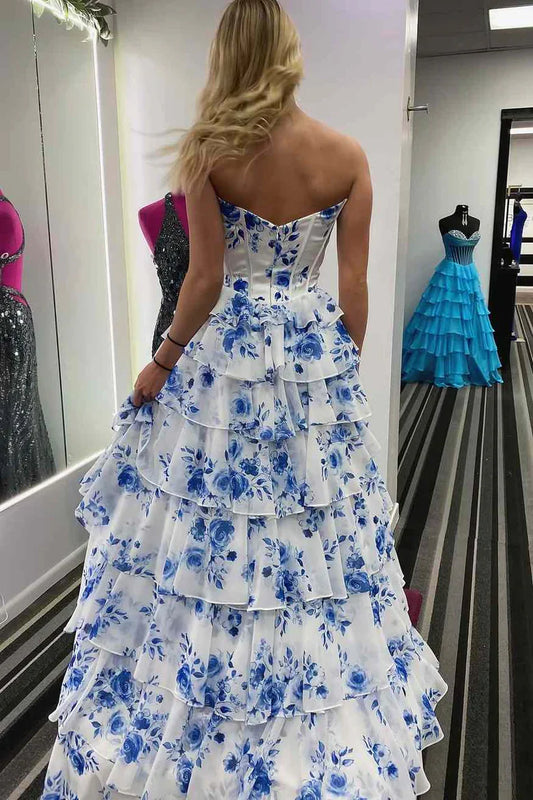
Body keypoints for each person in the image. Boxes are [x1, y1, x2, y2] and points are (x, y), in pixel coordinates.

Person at [40, 2, 446, 798]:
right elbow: (353, 287)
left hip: (225, 357)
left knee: (210, 520)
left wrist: (161, 362)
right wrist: (333, 377)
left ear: (226, 54)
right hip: (309, 349)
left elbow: (203, 282)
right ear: (289, 52)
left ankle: (208, 673)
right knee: (307, 525)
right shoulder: (347, 155)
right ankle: (315, 683)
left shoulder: (210, 151)